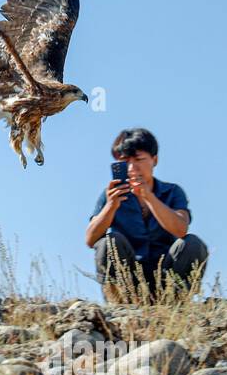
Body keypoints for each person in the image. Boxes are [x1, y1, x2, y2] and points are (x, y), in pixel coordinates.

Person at [86, 127, 208, 302]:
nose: (132, 167)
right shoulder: (110, 194)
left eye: (139, 159)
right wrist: (111, 206)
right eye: (125, 161)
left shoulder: (172, 192)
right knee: (109, 242)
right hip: (129, 281)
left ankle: (177, 306)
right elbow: (90, 239)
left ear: (154, 160)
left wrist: (148, 197)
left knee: (193, 243)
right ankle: (120, 308)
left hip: (167, 278)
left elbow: (181, 229)